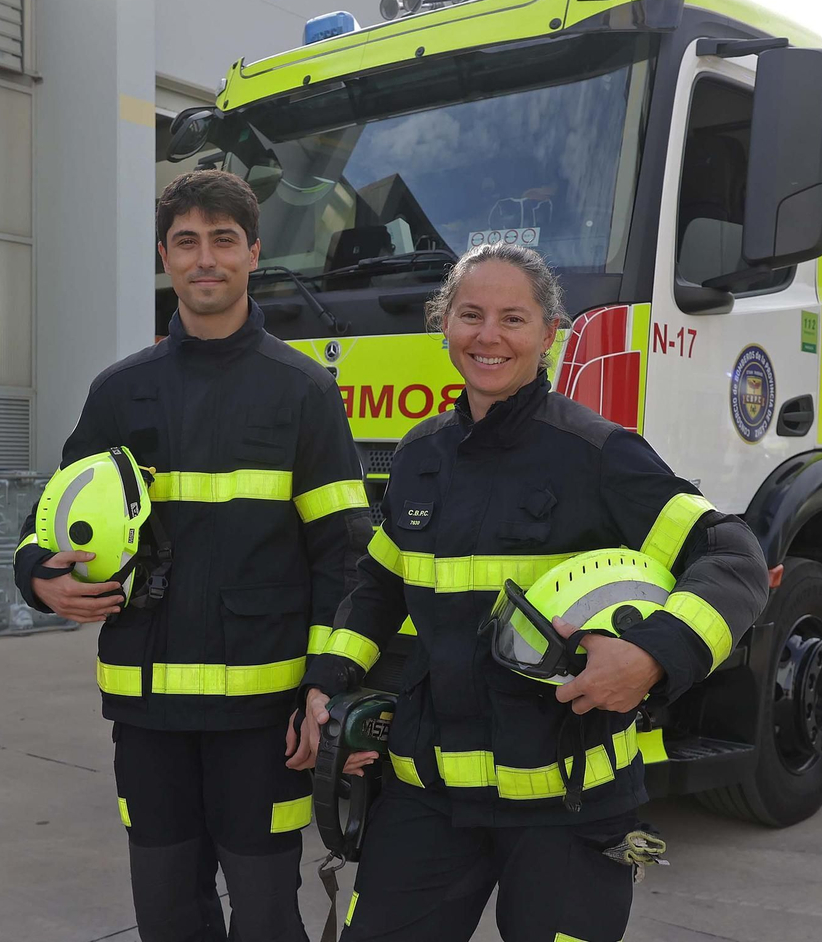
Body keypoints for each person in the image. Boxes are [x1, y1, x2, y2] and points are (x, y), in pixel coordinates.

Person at [289, 243, 770, 942]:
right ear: (443, 324)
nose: (489, 336)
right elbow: (377, 585)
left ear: (549, 334)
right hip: (427, 802)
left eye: (513, 319)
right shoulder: (419, 457)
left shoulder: (601, 454)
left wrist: (651, 657)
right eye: (470, 315)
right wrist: (328, 683)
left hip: (568, 810)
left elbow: (734, 557)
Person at [14, 169, 372, 942]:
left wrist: (326, 687)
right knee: (169, 912)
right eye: (186, 242)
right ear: (164, 256)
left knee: (268, 912)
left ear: (252, 252)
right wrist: (38, 577)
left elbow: (343, 558)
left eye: (221, 240)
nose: (204, 258)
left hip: (262, 718)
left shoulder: (304, 392)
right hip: (148, 718)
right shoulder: (121, 393)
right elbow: (53, 517)